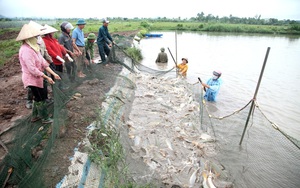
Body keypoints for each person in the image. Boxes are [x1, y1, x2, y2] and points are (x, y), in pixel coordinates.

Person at [16, 24, 60, 124]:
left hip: (39, 77)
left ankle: (35, 116)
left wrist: (53, 73)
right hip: (32, 79)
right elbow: (32, 69)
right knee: (40, 98)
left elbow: (43, 62)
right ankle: (44, 118)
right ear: (29, 38)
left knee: (40, 96)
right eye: (36, 37)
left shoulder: (34, 48)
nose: (38, 39)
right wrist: (46, 77)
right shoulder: (26, 50)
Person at [25, 21, 54, 109]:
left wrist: (50, 61)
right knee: (33, 85)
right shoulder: (28, 43)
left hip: (41, 65)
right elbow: (30, 63)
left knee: (44, 83)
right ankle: (29, 100)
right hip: (32, 68)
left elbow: (44, 51)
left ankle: (45, 98)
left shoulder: (40, 39)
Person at [42, 24, 73, 89]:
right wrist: (59, 58)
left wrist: (66, 55)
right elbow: (50, 52)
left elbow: (61, 47)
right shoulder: (45, 40)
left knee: (60, 74)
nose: (53, 33)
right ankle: (55, 89)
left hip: (59, 61)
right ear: (48, 33)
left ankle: (60, 87)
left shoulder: (54, 40)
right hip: (53, 62)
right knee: (55, 75)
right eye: (52, 33)